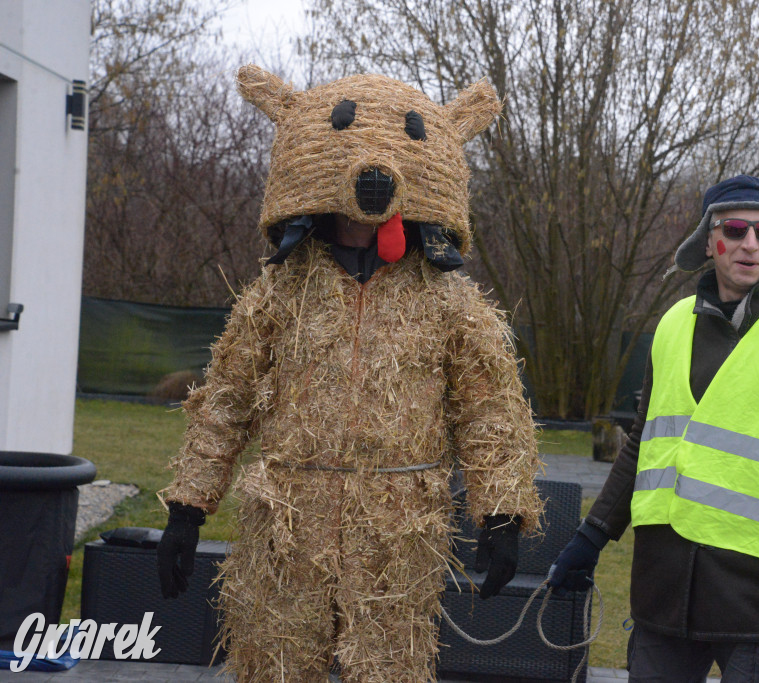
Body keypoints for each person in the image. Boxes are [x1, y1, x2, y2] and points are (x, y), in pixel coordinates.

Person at [155, 67, 542, 683]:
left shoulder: (449, 300)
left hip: (398, 528)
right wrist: (187, 507)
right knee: (275, 668)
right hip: (288, 522)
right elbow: (227, 398)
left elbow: (488, 407)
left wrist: (499, 511)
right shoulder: (282, 292)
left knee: (390, 669)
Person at [548, 175, 759, 682]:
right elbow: (642, 445)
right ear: (710, 241)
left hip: (756, 598)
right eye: (736, 228)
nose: (751, 244)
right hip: (662, 592)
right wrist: (591, 537)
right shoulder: (671, 325)